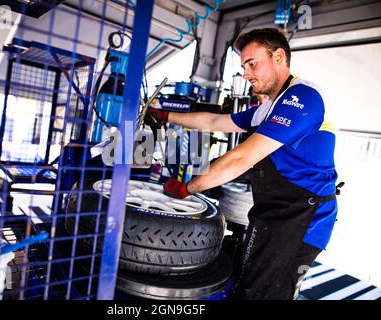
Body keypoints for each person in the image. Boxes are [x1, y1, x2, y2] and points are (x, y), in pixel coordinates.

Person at [145, 28, 341, 300]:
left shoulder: (302, 98)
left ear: (279, 56)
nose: (246, 73)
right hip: (275, 211)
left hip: (303, 219)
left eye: (252, 63)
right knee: (244, 279)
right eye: (243, 65)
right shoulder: (268, 107)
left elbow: (241, 158)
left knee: (260, 294)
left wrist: (188, 188)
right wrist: (165, 115)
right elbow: (215, 122)